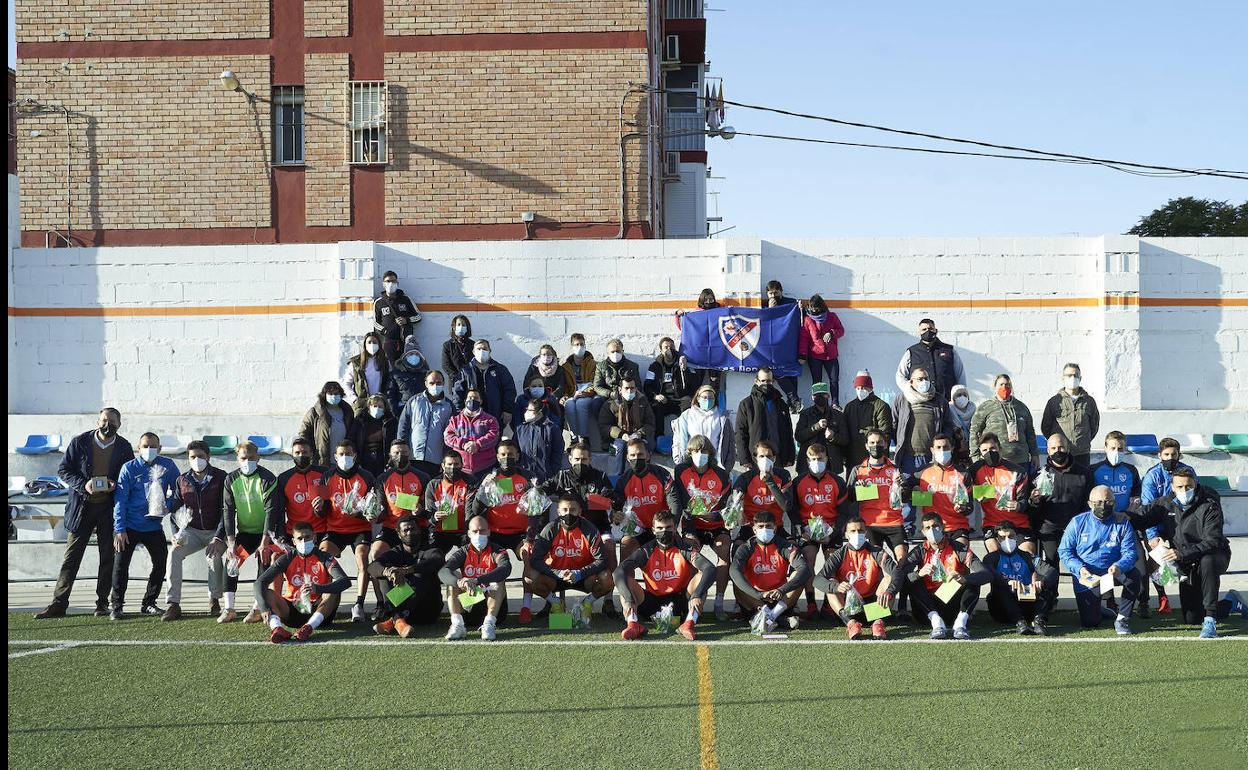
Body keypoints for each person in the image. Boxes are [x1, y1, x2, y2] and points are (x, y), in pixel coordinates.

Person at [36, 408, 134, 619]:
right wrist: (84, 484)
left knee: (108, 557)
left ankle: (102, 603)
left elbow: (128, 477)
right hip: (82, 507)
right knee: (71, 557)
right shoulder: (79, 441)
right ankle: (59, 603)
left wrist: (114, 485)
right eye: (105, 420)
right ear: (97, 421)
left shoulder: (125, 447)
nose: (108, 425)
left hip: (108, 508)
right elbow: (64, 470)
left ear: (120, 424)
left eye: (113, 422)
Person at [1143, 468, 1232, 638]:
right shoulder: (1165, 503)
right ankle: (1230, 603)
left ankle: (1210, 619)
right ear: (1172, 487)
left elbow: (1213, 541)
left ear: (1195, 483)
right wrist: (1118, 517)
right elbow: (1142, 516)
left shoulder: (1210, 504)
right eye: (1180, 486)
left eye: (1188, 486)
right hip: (1186, 561)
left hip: (1215, 554)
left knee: (1207, 561)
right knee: (1191, 618)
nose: (1184, 490)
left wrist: (1180, 553)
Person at [108, 433, 179, 620]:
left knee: (161, 563)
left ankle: (149, 602)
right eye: (146, 446)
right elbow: (120, 500)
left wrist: (167, 506)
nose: (149, 450)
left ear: (160, 448)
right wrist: (119, 529)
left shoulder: (168, 466)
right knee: (120, 565)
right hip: (129, 526)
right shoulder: (129, 468)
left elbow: (179, 490)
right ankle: (116, 605)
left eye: (153, 446)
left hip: (153, 526)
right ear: (138, 448)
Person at [616, 510, 715, 640]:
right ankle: (633, 624)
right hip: (652, 604)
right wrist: (628, 599)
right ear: (653, 530)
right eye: (660, 528)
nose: (664, 531)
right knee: (626, 580)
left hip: (681, 602)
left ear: (675, 528)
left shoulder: (685, 548)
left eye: (668, 527)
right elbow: (619, 571)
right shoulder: (646, 550)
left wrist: (696, 595)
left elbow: (710, 569)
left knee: (702, 577)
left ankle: (689, 623)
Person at [891, 511, 990, 639]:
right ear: (923, 532)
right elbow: (901, 577)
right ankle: (937, 624)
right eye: (928, 528)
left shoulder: (959, 548)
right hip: (928, 609)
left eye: (935, 526)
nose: (932, 530)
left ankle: (960, 625)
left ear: (943, 527)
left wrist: (963, 578)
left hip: (953, 604)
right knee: (914, 580)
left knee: (973, 581)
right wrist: (918, 574)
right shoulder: (920, 551)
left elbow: (986, 574)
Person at [1058, 485, 1141, 634]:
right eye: (1099, 502)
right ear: (1090, 504)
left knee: (1134, 575)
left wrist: (1119, 565)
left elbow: (1131, 552)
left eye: (1108, 502)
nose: (1103, 506)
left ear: (1114, 503)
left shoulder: (1122, 522)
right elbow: (1064, 551)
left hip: (1112, 573)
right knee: (1090, 622)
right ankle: (1100, 609)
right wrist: (1080, 568)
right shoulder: (1077, 522)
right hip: (1088, 576)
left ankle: (1122, 619)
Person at [1089, 431, 1156, 616]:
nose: (1116, 451)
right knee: (1104, 560)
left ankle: (1143, 602)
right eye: (1112, 448)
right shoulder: (1094, 470)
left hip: (1126, 524)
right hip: (1102, 525)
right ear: (1105, 448)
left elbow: (1136, 499)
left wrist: (1127, 514)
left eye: (1120, 448)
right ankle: (1109, 601)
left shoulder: (1131, 471)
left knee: (1139, 560)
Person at [669, 435, 733, 620]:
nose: (700, 455)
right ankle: (690, 599)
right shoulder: (680, 470)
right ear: (689, 453)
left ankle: (719, 603)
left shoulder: (721, 474)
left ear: (710, 453)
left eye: (703, 451)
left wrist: (716, 515)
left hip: (715, 524)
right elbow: (678, 501)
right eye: (696, 451)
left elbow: (729, 508)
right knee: (691, 553)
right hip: (692, 524)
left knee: (724, 551)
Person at [162, 440, 228, 621]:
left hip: (215, 531)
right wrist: (177, 534)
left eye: (200, 456)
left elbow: (226, 512)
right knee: (174, 552)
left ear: (208, 456)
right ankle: (173, 603)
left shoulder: (222, 477)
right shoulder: (182, 480)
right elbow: (176, 510)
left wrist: (218, 538)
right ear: (188, 458)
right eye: (193, 457)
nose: (197, 460)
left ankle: (214, 600)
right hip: (192, 531)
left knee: (213, 556)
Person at [1030, 433, 1093, 615]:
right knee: (1050, 564)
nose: (1058, 451)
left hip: (1077, 529)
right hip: (1049, 527)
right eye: (1054, 448)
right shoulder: (1041, 475)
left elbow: (1089, 503)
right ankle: (1050, 600)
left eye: (1061, 447)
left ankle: (1087, 599)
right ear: (1048, 451)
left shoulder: (1084, 473)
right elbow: (1033, 509)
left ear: (1068, 447)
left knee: (1083, 562)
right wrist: (1034, 500)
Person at [256, 522, 350, 643]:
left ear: (314, 537)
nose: (304, 542)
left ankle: (308, 628)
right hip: (292, 610)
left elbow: (345, 581)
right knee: (268, 593)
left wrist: (318, 589)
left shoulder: (325, 557)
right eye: (300, 538)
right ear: (294, 541)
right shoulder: (287, 558)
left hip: (319, 610)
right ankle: (277, 629)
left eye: (307, 537)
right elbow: (259, 583)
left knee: (333, 592)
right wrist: (264, 607)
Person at [525, 494, 614, 621]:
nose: (568, 514)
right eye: (565, 510)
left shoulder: (590, 529)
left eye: (573, 510)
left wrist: (579, 573)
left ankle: (587, 603)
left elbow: (602, 560)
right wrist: (558, 573)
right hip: (556, 577)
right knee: (530, 578)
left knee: (607, 579)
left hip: (583, 577)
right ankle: (556, 603)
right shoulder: (550, 529)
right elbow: (535, 559)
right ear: (558, 511)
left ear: (579, 511)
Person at [788, 442, 851, 618]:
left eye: (820, 458)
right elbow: (792, 510)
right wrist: (802, 529)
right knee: (808, 559)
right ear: (808, 461)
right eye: (813, 459)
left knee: (833, 561)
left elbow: (844, 511)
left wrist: (833, 531)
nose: (817, 462)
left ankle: (828, 603)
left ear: (826, 459)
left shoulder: (837, 481)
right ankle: (811, 603)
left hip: (832, 530)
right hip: (809, 531)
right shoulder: (798, 481)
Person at [219, 441, 280, 624]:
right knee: (232, 562)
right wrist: (230, 543)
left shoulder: (268, 478)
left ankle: (256, 608)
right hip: (245, 533)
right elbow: (228, 511)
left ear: (258, 457)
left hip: (265, 534)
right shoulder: (231, 479)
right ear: (237, 459)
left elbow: (271, 512)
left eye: (251, 458)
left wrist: (264, 542)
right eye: (243, 458)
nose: (247, 461)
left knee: (264, 563)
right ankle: (229, 608)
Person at [318, 440, 376, 623]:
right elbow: (321, 511)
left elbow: (372, 510)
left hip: (360, 528)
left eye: (348, 454)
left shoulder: (366, 476)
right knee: (322, 555)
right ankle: (326, 601)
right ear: (335, 457)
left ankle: (358, 604)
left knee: (362, 558)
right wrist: (317, 507)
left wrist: (359, 512)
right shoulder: (326, 477)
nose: (345, 458)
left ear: (355, 455)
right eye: (341, 454)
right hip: (335, 529)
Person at [813, 517, 897, 638]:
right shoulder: (839, 555)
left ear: (866, 533)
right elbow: (817, 580)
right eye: (853, 531)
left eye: (860, 531)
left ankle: (878, 623)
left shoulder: (877, 552)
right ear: (846, 534)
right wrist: (836, 587)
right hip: (850, 609)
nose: (857, 534)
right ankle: (851, 624)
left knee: (889, 579)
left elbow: (897, 573)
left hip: (873, 608)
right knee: (831, 584)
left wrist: (889, 591)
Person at [370, 440, 428, 616]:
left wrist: (421, 511)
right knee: (376, 554)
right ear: (389, 455)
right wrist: (373, 515)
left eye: (403, 452)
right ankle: (382, 603)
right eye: (396, 452)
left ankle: (414, 603)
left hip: (416, 529)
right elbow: (380, 512)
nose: (400, 456)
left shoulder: (423, 477)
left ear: (409, 454)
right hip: (391, 528)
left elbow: (430, 509)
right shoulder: (382, 479)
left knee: (422, 563)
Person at [729, 511, 809, 631]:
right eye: (760, 526)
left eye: (768, 526)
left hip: (780, 597)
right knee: (737, 581)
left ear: (775, 528)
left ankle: (768, 618)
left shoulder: (785, 546)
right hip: (755, 599)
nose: (765, 529)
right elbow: (733, 571)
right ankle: (774, 618)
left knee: (799, 576)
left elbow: (804, 570)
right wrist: (758, 594)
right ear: (754, 529)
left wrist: (782, 590)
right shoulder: (746, 548)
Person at [368, 514, 445, 636]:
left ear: (419, 530)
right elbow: (372, 567)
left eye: (412, 529)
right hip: (404, 609)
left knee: (420, 575)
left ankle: (393, 618)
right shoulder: (396, 552)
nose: (409, 533)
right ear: (399, 534)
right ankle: (398, 620)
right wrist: (388, 572)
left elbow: (437, 559)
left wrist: (407, 570)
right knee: (383, 575)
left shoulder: (429, 549)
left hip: (426, 611)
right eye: (405, 530)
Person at [438, 515, 512, 641]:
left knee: (499, 579)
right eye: (475, 531)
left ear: (488, 531)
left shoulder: (498, 551)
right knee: (454, 576)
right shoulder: (463, 552)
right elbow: (443, 572)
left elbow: (505, 568)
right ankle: (457, 624)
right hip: (468, 605)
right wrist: (460, 582)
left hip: (493, 608)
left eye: (482, 531)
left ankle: (489, 624)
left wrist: (476, 581)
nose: (479, 534)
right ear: (469, 533)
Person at [982, 521, 1057, 635]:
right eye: (1002, 537)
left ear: (1016, 537)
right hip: (1002, 609)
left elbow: (1051, 571)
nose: (1007, 540)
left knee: (1047, 589)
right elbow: (991, 574)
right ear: (997, 539)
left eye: (1011, 536)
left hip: (1027, 601)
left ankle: (1039, 621)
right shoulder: (991, 558)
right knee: (1000, 589)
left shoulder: (1027, 556)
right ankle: (1019, 622)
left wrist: (1041, 582)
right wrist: (1008, 582)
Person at [969, 433, 1034, 554]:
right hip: (992, 523)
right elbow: (961, 486)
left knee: (1027, 553)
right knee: (995, 554)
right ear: (980, 452)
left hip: (1017, 523)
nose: (989, 452)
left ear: (1000, 449)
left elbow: (1025, 501)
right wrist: (975, 492)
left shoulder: (1017, 471)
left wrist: (1018, 505)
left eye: (993, 448)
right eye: (985, 450)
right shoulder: (975, 469)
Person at [905, 434, 973, 546]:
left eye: (945, 447)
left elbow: (970, 507)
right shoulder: (922, 472)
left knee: (962, 554)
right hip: (932, 527)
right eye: (938, 447)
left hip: (956, 526)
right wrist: (912, 494)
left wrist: (963, 508)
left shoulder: (963, 473)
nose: (942, 450)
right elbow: (904, 493)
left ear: (952, 448)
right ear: (932, 450)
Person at [849, 430, 906, 561]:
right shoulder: (858, 470)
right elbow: (849, 498)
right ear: (866, 446)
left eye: (879, 442)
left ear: (885, 444)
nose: (876, 446)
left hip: (894, 521)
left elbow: (905, 498)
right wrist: (858, 489)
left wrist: (904, 486)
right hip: (870, 523)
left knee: (903, 559)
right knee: (875, 563)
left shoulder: (895, 469)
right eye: (872, 443)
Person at [613, 440, 675, 559]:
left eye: (640, 454)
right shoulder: (624, 480)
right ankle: (624, 577)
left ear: (648, 455)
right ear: (627, 457)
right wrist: (616, 516)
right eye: (633, 455)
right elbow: (616, 507)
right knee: (625, 547)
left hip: (661, 528)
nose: (636, 458)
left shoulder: (662, 474)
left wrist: (672, 524)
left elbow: (674, 502)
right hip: (636, 530)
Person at [891, 367, 956, 476]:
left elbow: (947, 425)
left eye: (926, 379)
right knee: (907, 489)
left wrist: (942, 447)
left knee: (929, 489)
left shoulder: (939, 400)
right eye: (920, 379)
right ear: (911, 381)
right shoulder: (902, 399)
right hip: (908, 457)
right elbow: (894, 424)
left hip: (931, 457)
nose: (924, 382)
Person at [970, 374, 1040, 473]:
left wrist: (1034, 454)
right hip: (997, 462)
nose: (1004, 387)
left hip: (1021, 461)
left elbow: (1030, 433)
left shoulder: (1021, 407)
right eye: (1001, 384)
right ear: (995, 387)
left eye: (1007, 385)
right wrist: (975, 457)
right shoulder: (985, 407)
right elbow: (974, 432)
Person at [272, 436, 329, 548]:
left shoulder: (323, 474)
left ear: (311, 454)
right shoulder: (284, 478)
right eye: (297, 452)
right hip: (294, 533)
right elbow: (280, 510)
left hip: (320, 530)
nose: (301, 455)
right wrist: (281, 535)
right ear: (292, 455)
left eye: (305, 452)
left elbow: (328, 507)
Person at [734, 368, 796, 470]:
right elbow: (740, 433)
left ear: (773, 381)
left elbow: (788, 431)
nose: (766, 384)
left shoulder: (781, 404)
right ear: (756, 381)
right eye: (763, 381)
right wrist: (744, 458)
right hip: (755, 459)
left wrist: (790, 456)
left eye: (769, 381)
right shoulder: (746, 404)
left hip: (777, 458)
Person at [397, 369, 454, 477]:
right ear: (426, 383)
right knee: (412, 492)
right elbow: (403, 427)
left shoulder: (449, 406)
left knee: (430, 492)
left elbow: (451, 435)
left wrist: (446, 459)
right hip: (413, 458)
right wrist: (402, 453)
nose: (435, 386)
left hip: (435, 461)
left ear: (443, 384)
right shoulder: (414, 401)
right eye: (432, 383)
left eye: (439, 383)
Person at [1041, 363, 1100, 467]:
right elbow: (1046, 427)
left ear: (1080, 378)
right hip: (1060, 454)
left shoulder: (1089, 401)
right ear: (1063, 378)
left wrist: (1083, 441)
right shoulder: (1054, 401)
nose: (1072, 378)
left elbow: (1094, 426)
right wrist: (1057, 444)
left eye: (1075, 375)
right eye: (1069, 375)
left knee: (1082, 481)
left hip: (1082, 453)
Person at [895, 317, 965, 403]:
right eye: (924, 329)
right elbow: (900, 376)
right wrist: (910, 392)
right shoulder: (912, 352)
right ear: (919, 332)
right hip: (921, 403)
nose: (928, 331)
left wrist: (960, 395)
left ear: (936, 330)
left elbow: (960, 374)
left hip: (946, 402)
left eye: (930, 328)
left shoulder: (949, 350)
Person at [731, 440, 792, 537]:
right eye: (761, 456)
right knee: (736, 547)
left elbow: (786, 506)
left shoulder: (783, 475)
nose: (765, 460)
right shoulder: (745, 478)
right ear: (755, 459)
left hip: (775, 526)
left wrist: (770, 482)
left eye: (769, 456)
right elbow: (735, 503)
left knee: (794, 549)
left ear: (774, 458)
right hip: (750, 527)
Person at [452, 339, 517, 427]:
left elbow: (509, 390)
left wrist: (508, 410)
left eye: (485, 349)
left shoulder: (500, 369)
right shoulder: (465, 371)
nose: (482, 351)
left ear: (490, 351)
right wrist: (459, 413)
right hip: (471, 418)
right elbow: (457, 393)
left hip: (495, 415)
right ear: (473, 352)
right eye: (478, 349)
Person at [599, 377, 656, 477]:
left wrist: (639, 433)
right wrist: (621, 434)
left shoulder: (643, 402)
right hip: (617, 439)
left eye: (632, 388)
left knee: (644, 448)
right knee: (617, 449)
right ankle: (615, 477)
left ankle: (644, 476)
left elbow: (650, 423)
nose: (630, 391)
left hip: (639, 436)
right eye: (626, 388)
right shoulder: (609, 404)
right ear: (620, 389)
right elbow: (604, 426)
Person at [443, 388, 501, 480]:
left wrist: (478, 445)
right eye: (469, 398)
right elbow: (448, 437)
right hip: (461, 469)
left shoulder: (490, 420)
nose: (472, 400)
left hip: (486, 467)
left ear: (481, 401)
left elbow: (493, 436)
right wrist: (463, 444)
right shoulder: (455, 420)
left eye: (476, 398)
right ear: (465, 400)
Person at [797, 294, 845, 405]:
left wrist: (832, 333)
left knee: (834, 380)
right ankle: (819, 405)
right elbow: (804, 339)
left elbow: (841, 330)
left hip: (831, 355)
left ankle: (835, 403)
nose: (814, 310)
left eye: (816, 308)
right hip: (815, 356)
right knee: (817, 382)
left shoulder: (832, 316)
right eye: (812, 308)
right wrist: (802, 355)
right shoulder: (808, 320)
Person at [764, 280, 803, 413]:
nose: (773, 295)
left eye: (776, 292)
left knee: (792, 372)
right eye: (770, 293)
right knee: (778, 371)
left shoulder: (790, 302)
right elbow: (764, 324)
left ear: (781, 291)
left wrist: (801, 308)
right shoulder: (765, 305)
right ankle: (794, 399)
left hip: (790, 342)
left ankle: (793, 403)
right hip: (774, 346)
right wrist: (770, 310)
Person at [671, 384, 734, 468]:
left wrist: (727, 467)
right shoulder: (687, 415)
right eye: (704, 397)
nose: (708, 400)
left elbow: (729, 443)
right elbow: (678, 439)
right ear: (698, 398)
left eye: (711, 398)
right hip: (692, 461)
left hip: (715, 463)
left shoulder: (722, 417)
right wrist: (680, 461)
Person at [423, 450, 473, 555]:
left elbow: (471, 511)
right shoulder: (433, 484)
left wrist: (468, 531)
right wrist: (435, 516)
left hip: (463, 531)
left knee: (469, 556)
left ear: (462, 465)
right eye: (449, 464)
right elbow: (428, 513)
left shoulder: (470, 482)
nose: (453, 467)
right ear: (443, 465)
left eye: (456, 464)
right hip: (440, 531)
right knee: (433, 558)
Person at [794, 382, 849, 476]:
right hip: (809, 463)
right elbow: (799, 436)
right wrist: (816, 427)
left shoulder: (838, 415)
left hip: (831, 464)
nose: (820, 397)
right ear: (812, 397)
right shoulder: (805, 414)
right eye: (816, 395)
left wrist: (833, 437)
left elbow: (845, 439)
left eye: (823, 394)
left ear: (828, 395)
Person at [842, 371, 893, 471]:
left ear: (870, 388)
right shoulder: (849, 407)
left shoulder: (881, 406)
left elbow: (885, 432)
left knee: (875, 484)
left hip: (874, 459)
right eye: (857, 388)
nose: (860, 390)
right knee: (855, 486)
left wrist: (877, 453)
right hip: (853, 458)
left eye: (863, 388)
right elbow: (845, 432)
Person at [298, 381, 355, 468]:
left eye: (336, 393)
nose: (334, 396)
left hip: (344, 460)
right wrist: (310, 452)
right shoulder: (315, 412)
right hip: (322, 460)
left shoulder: (347, 411)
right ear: (324, 394)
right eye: (330, 393)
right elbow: (303, 433)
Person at [645, 337, 696, 435]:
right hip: (664, 398)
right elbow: (647, 386)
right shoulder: (654, 366)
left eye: (671, 346)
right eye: (666, 347)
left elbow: (693, 384)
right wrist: (655, 396)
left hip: (680, 398)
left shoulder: (683, 362)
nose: (669, 349)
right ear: (661, 350)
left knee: (689, 404)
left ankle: (685, 437)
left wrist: (685, 370)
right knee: (656, 406)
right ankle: (659, 439)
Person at [560, 333, 602, 444]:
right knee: (569, 404)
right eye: (576, 344)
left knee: (581, 404)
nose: (579, 347)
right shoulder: (565, 367)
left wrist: (585, 392)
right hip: (572, 395)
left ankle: (584, 438)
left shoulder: (594, 364)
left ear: (585, 345)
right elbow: (564, 385)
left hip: (589, 394)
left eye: (582, 344)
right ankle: (573, 438)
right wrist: (565, 396)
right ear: (572, 347)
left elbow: (595, 383)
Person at [372, 270, 422, 362]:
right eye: (388, 281)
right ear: (383, 284)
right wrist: (384, 330)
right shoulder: (379, 302)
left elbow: (418, 317)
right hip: (389, 341)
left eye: (393, 281)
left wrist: (406, 320)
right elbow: (375, 322)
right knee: (390, 367)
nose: (391, 283)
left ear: (397, 283)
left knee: (409, 365)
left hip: (407, 341)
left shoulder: (406, 299)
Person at [514, 398, 565, 483]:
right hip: (524, 476)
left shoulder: (552, 429)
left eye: (530, 410)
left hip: (546, 477)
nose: (527, 412)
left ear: (540, 413)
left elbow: (558, 452)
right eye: (527, 409)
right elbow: (515, 450)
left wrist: (552, 472)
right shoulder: (520, 429)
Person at [344, 331, 394, 415]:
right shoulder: (356, 363)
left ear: (379, 344)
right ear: (364, 345)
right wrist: (354, 399)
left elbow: (391, 381)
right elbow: (346, 383)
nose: (372, 344)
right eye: (369, 342)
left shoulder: (385, 362)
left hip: (380, 405)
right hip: (362, 405)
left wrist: (388, 397)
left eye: (374, 342)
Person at [350, 394, 398, 477]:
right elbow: (351, 440)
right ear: (369, 406)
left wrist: (390, 461)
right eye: (374, 406)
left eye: (380, 406)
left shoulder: (391, 421)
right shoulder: (360, 420)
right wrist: (356, 460)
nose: (377, 409)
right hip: (364, 458)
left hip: (382, 458)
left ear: (385, 407)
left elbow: (394, 442)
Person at [1141, 437, 1194, 507]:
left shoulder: (1189, 471)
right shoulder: (1152, 475)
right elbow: (1148, 504)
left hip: (1186, 512)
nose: (1170, 458)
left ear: (1179, 455)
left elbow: (1196, 494)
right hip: (1161, 513)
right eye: (1166, 454)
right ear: (1159, 456)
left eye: (1174, 454)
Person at [389, 335, 431, 416]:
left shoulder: (426, 373)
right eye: (410, 354)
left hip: (422, 412)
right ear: (405, 356)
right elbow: (391, 395)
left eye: (416, 354)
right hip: (403, 411)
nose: (414, 356)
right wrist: (395, 412)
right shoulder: (396, 374)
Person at [592, 338, 642, 403]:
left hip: (627, 394)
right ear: (608, 353)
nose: (615, 354)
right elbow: (597, 386)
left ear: (622, 352)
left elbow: (638, 386)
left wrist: (628, 393)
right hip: (608, 396)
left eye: (618, 351)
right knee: (596, 401)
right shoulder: (601, 366)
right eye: (612, 352)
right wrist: (609, 393)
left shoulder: (632, 366)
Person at [442, 314, 475, 392]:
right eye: (459, 324)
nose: (461, 327)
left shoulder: (473, 344)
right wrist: (458, 376)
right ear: (454, 327)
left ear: (467, 327)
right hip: (455, 382)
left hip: (471, 381)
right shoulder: (447, 345)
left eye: (463, 325)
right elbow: (445, 365)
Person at [947, 384, 976, 463]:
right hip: (956, 451)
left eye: (965, 395)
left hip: (972, 449)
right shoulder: (949, 410)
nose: (962, 397)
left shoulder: (974, 409)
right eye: (959, 395)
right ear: (953, 398)